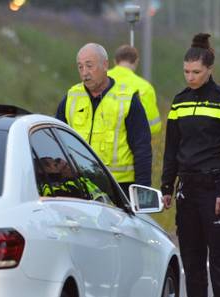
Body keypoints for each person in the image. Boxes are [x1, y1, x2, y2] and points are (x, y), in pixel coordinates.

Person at [161, 33, 220, 297]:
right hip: (187, 191)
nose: (190, 77)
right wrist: (166, 187)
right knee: (192, 259)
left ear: (209, 68)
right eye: (186, 72)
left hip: (215, 191)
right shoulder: (179, 101)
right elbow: (171, 149)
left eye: (195, 72)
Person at [56, 43, 152, 192]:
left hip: (119, 188)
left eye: (89, 66)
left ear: (105, 65)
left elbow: (142, 148)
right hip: (78, 185)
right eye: (80, 67)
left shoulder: (126, 99)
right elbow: (56, 142)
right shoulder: (71, 97)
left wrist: (143, 190)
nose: (84, 73)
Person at [108, 45, 162, 137]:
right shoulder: (145, 87)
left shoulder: (100, 79)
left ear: (114, 61)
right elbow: (154, 126)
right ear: (136, 61)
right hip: (130, 146)